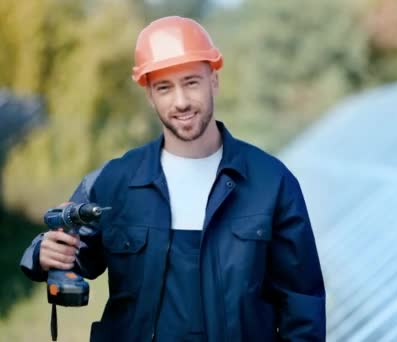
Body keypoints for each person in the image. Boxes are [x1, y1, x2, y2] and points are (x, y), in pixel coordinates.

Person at [20, 16, 325, 342]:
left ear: (214, 81)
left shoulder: (271, 183)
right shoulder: (114, 182)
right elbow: (71, 256)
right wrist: (42, 252)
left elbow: (302, 309)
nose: (180, 101)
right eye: (164, 88)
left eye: (191, 82)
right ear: (150, 95)